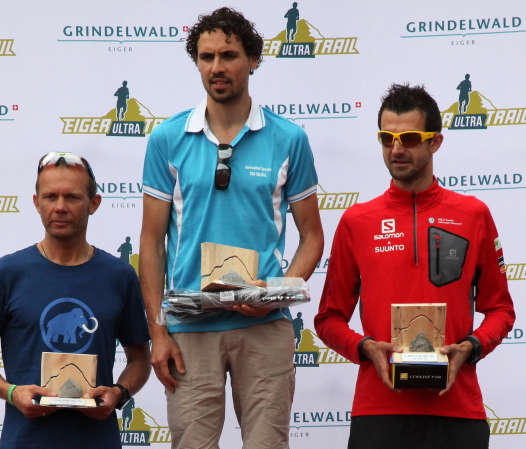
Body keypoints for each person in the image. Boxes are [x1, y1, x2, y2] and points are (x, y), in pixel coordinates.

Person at [140, 7, 323, 449]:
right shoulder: (167, 138)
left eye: (228, 55)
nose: (216, 67)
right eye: (206, 57)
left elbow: (313, 237)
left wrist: (274, 294)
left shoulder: (289, 138)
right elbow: (151, 242)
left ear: (253, 59)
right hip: (188, 326)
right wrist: (158, 332)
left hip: (264, 325)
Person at [314, 83, 515, 449]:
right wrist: (366, 347)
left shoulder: (473, 215)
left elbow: (501, 309)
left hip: (458, 411)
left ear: (434, 142)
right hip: (378, 412)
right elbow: (328, 319)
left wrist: (471, 346)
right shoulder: (357, 221)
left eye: (408, 138)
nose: (396, 149)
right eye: (386, 139)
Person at [0, 152, 151, 449]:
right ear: (37, 203)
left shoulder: (120, 276)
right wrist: (11, 393)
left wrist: (119, 393)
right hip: (24, 441)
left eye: (72, 197)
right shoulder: (6, 273)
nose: (60, 207)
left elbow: (140, 358)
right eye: (50, 197)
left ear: (94, 203)